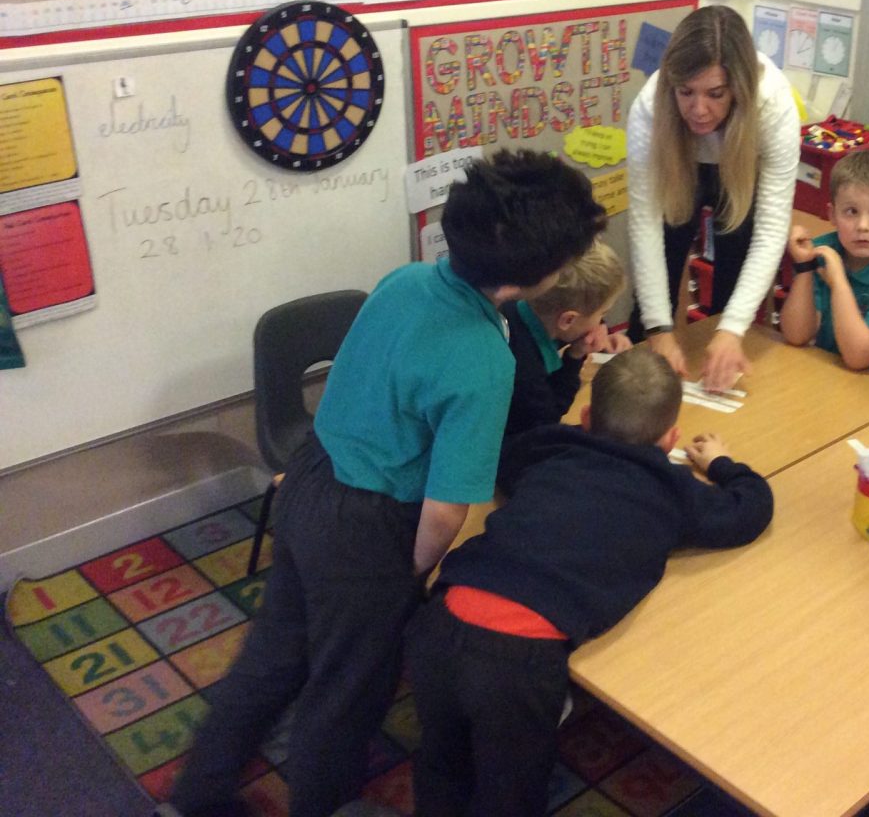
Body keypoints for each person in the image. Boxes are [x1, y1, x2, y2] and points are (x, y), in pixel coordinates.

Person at [169, 150, 606, 817]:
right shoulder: (483, 360)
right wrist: (408, 575)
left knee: (274, 653)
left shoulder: (404, 280)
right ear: (540, 274)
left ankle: (196, 793)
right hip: (366, 527)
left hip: (309, 478)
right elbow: (446, 511)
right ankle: (321, 804)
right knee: (347, 690)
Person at [404, 349, 774, 817]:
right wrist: (722, 464)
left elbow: (509, 462)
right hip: (518, 661)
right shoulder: (672, 489)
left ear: (585, 417)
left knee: (441, 763)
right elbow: (750, 509)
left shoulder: (550, 446)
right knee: (510, 795)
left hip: (441, 616)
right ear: (671, 439)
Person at [626, 4, 800, 392]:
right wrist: (658, 329)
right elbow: (644, 224)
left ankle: (721, 359)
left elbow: (771, 229)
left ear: (739, 87)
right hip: (680, 167)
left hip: (740, 167)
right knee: (661, 271)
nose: (699, 110)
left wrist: (732, 328)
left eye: (716, 94)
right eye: (686, 92)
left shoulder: (773, 104)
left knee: (733, 271)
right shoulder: (650, 107)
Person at [779, 149, 869, 383]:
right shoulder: (824, 251)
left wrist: (838, 281)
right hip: (834, 375)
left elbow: (859, 356)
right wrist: (805, 268)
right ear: (832, 214)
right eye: (851, 212)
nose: (863, 225)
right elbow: (796, 335)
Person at [501, 239, 632, 442]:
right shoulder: (524, 369)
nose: (601, 323)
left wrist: (599, 331)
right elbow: (548, 417)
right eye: (603, 313)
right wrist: (575, 356)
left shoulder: (527, 308)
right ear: (568, 320)